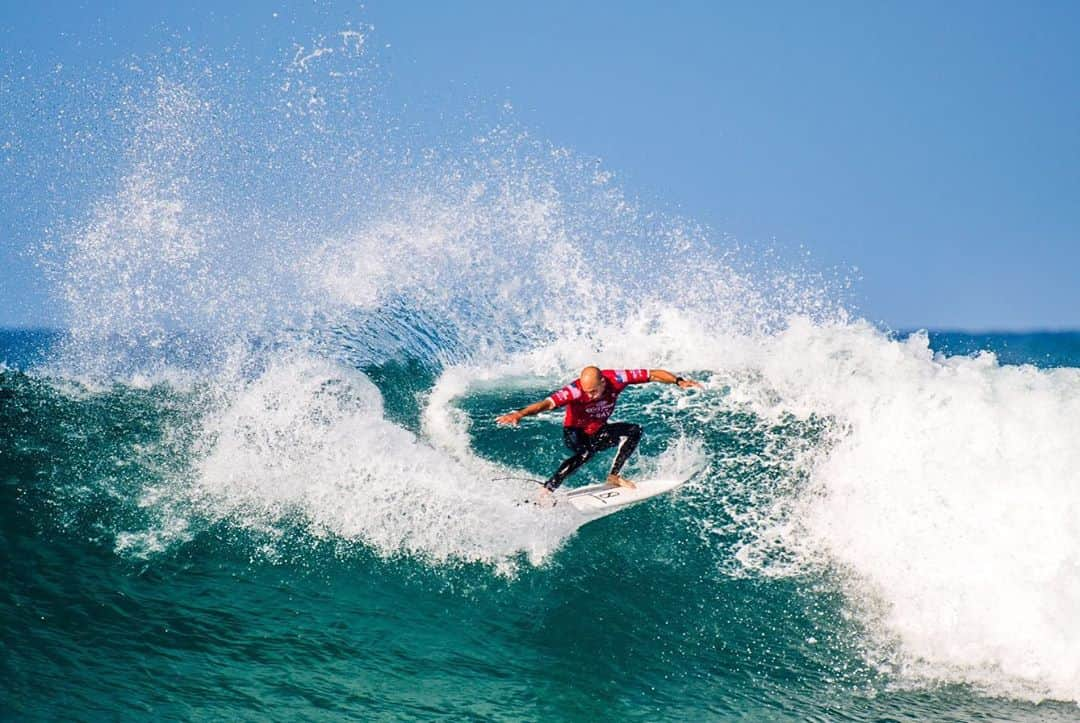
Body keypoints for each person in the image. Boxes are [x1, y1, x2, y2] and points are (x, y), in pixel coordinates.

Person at [495, 366, 702, 497]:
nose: (591, 396)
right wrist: (519, 415)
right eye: (587, 392)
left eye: (594, 391)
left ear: (603, 381)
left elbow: (653, 374)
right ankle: (547, 490)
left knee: (634, 430)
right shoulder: (574, 391)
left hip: (598, 431)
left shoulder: (617, 379)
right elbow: (545, 404)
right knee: (586, 452)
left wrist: (678, 381)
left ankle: (614, 476)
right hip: (574, 433)